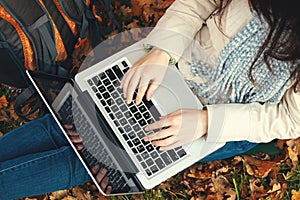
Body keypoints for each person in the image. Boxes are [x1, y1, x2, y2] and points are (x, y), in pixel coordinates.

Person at [1, 0, 300, 199]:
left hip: (220, 122)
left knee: (92, 158)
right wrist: (161, 51)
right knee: (68, 119)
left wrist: (208, 121)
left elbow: (289, 117)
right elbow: (200, 3)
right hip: (170, 69)